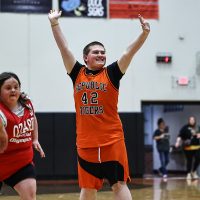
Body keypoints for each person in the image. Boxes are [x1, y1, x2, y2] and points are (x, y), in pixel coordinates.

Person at [48, 9, 150, 200]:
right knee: (87, 188)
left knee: (119, 184)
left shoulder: (112, 73)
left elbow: (129, 52)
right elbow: (64, 49)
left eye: (103, 52)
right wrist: (54, 23)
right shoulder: (77, 72)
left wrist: (143, 34)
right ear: (86, 57)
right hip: (86, 143)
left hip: (113, 140)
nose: (101, 55)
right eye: (96, 52)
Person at [0, 72, 45, 200]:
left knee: (30, 196)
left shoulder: (26, 102)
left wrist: (35, 139)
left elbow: (33, 118)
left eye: (16, 87)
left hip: (21, 162)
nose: (13, 90)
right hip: (2, 160)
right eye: (8, 88)